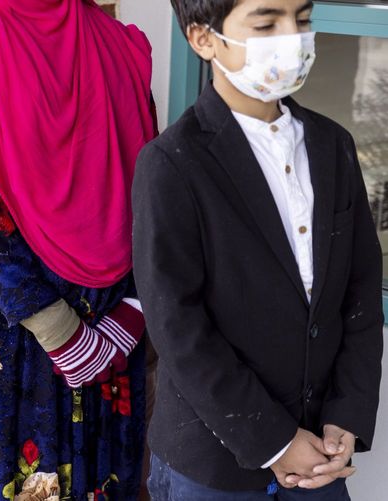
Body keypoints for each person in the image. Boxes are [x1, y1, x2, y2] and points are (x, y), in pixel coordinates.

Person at [132, 0, 383, 499]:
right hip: (213, 465)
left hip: (321, 453)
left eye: (303, 19)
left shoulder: (333, 145)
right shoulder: (172, 163)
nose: (293, 37)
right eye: (267, 23)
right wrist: (276, 442)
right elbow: (178, 327)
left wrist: (345, 417)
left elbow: (359, 291)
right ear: (203, 39)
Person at [0, 0, 156, 498]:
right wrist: (59, 331)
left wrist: (133, 309)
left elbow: (151, 190)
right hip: (13, 321)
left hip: (108, 317)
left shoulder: (115, 41)